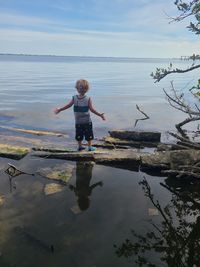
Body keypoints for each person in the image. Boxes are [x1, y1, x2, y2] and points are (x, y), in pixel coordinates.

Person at [54, 79, 105, 151]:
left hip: (78, 122)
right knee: (89, 134)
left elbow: (68, 105)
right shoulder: (88, 98)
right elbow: (92, 109)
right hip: (87, 121)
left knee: (79, 134)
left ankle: (80, 146)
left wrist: (60, 109)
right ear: (87, 89)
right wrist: (100, 115)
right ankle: (90, 147)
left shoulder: (74, 98)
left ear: (77, 89)